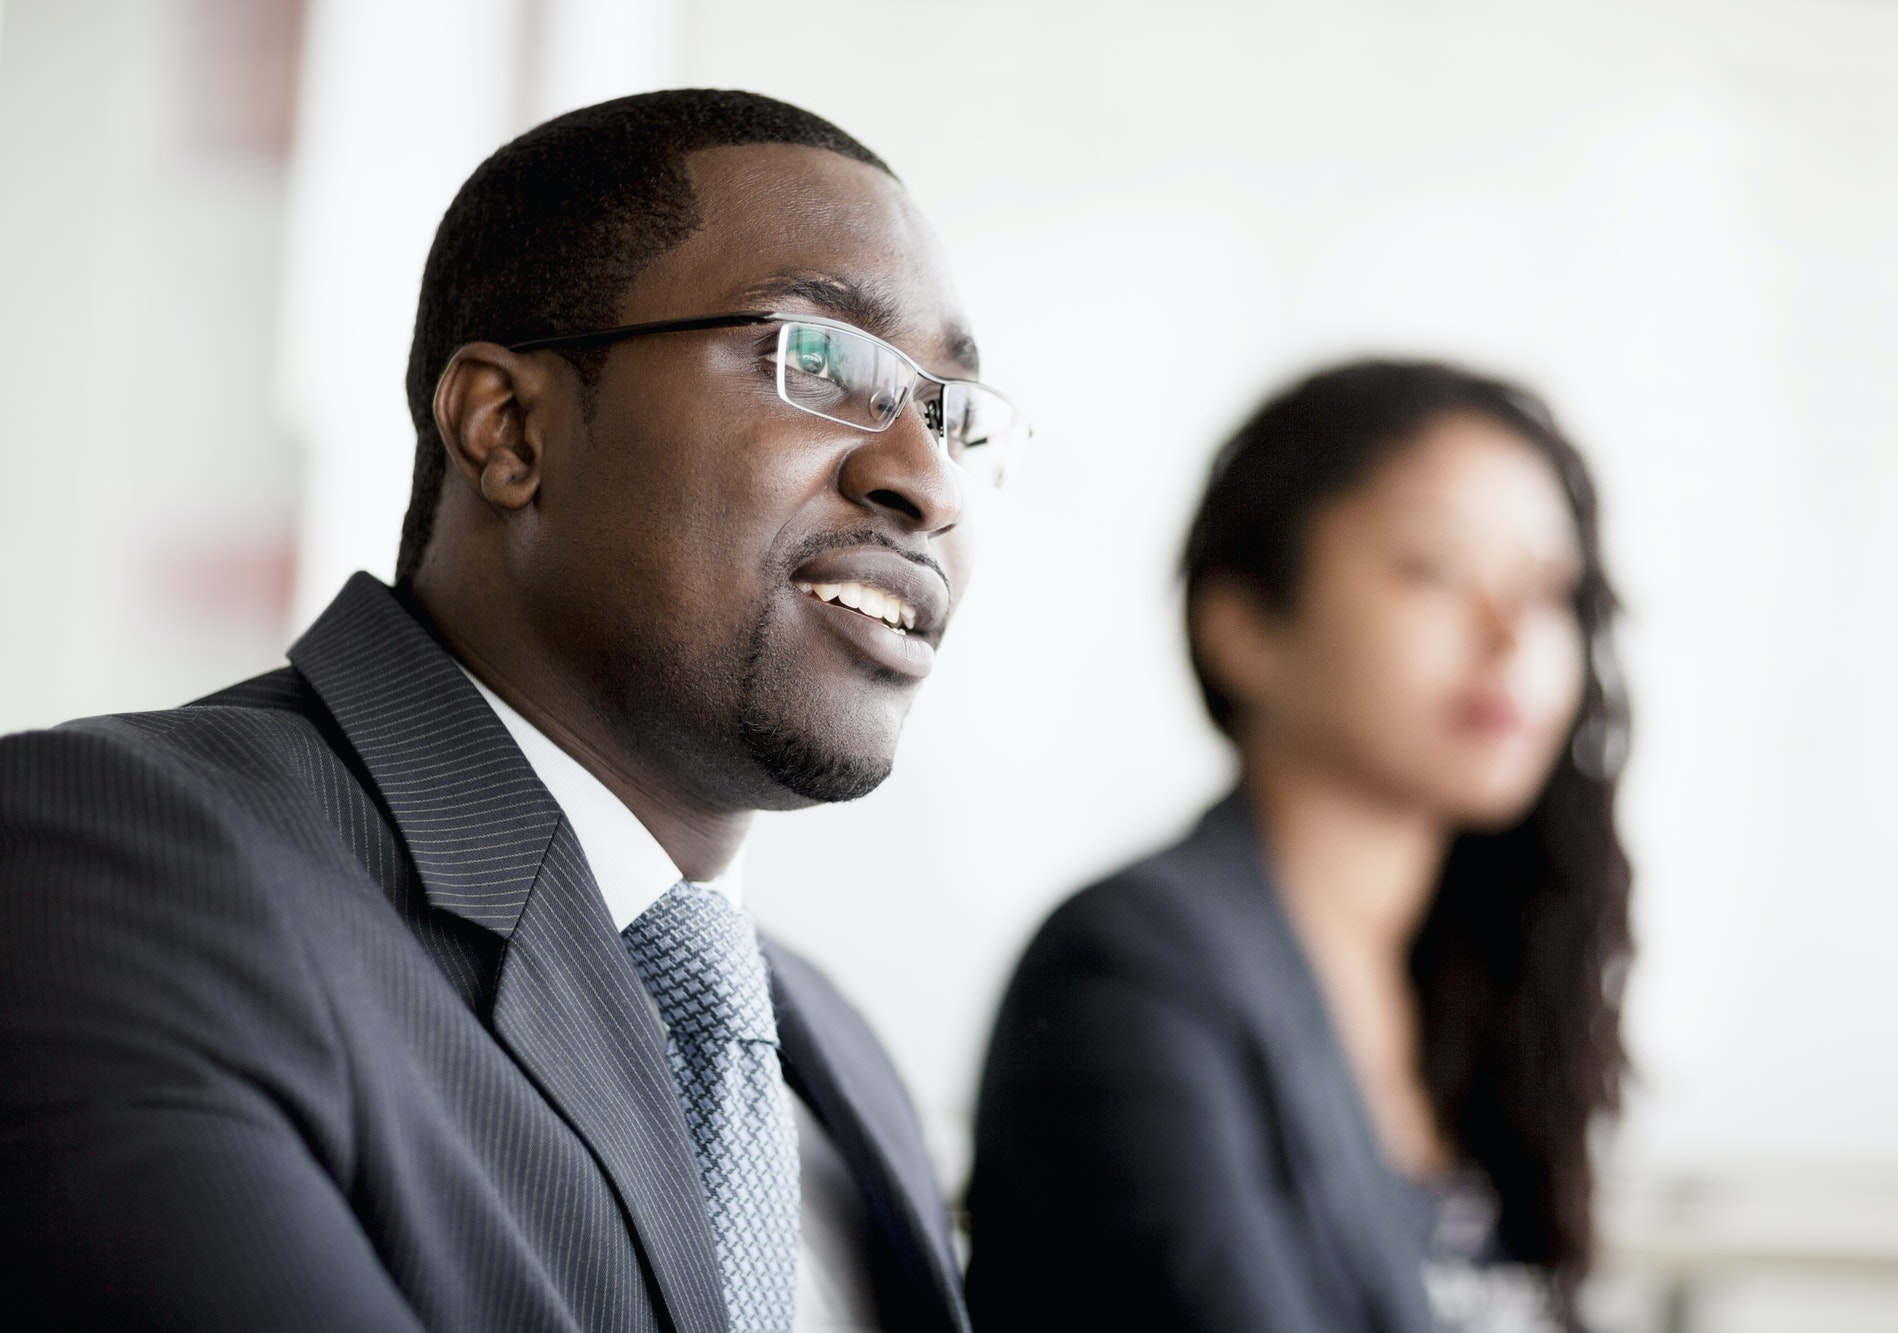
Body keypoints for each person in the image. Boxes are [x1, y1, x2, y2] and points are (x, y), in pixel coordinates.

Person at [0, 89, 1026, 1333]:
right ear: (507, 428)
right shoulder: (115, 861)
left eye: (951, 414)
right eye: (818, 358)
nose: (925, 480)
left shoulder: (830, 1050)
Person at [968, 360, 1631, 1333]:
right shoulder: (1126, 968)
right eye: (1436, 568)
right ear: (1244, 626)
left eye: (1548, 586)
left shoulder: (1477, 991)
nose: (1511, 632)